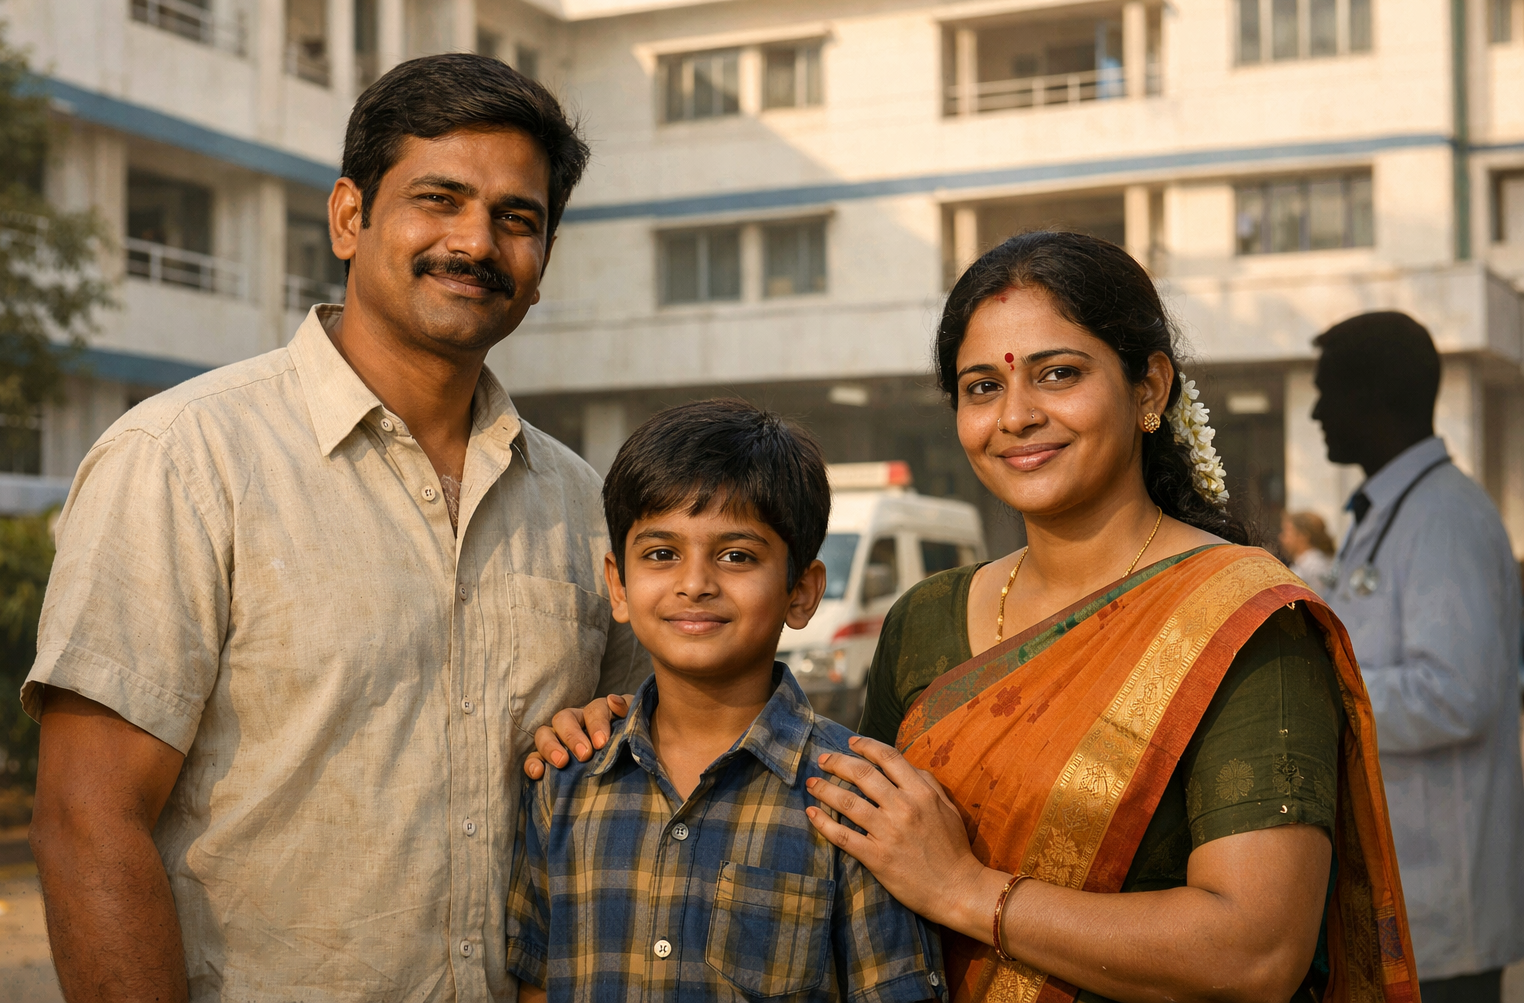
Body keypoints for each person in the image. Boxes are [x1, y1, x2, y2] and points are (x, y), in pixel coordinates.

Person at [532, 232, 1420, 1003]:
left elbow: (1257, 952)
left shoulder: (1242, 622)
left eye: (1058, 374)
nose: (1018, 416)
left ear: (1149, 388)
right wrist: (626, 724)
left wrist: (969, 893)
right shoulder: (928, 618)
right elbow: (849, 834)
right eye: (981, 387)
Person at [23, 54, 646, 1003]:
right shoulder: (185, 459)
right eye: (439, 199)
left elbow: (638, 764)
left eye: (517, 218)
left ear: (544, 255)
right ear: (350, 217)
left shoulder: (582, 504)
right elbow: (86, 817)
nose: (476, 242)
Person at [506, 399, 946, 1002]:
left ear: (802, 591)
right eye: (661, 554)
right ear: (618, 584)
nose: (695, 583)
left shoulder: (856, 802)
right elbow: (536, 985)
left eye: (737, 555)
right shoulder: (565, 782)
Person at [1312, 311, 1524, 1003]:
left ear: (1375, 396)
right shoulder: (1388, 510)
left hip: (1445, 910)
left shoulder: (1445, 517)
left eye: (1328, 390)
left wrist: (1325, 692)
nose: (1315, 411)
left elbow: (1455, 694)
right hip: (1406, 895)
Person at [1278, 510, 1336, 589]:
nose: (1281, 537)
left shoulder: (1312, 567)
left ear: (1303, 536)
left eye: (1287, 532)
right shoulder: (1306, 564)